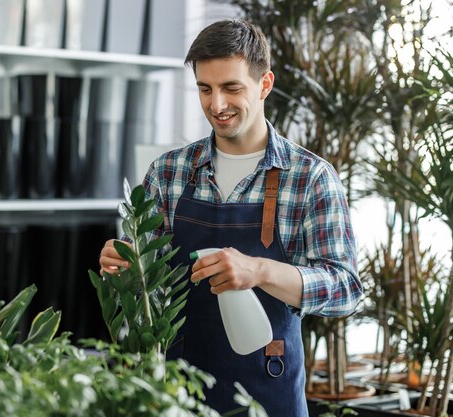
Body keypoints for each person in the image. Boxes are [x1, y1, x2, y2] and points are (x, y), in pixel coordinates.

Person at [99, 19, 363, 416]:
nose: (216, 105)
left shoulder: (310, 177)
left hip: (268, 395)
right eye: (205, 89)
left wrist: (259, 271)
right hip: (176, 395)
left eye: (231, 88)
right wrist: (124, 265)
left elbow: (344, 290)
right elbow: (147, 287)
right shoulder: (167, 172)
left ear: (265, 84)